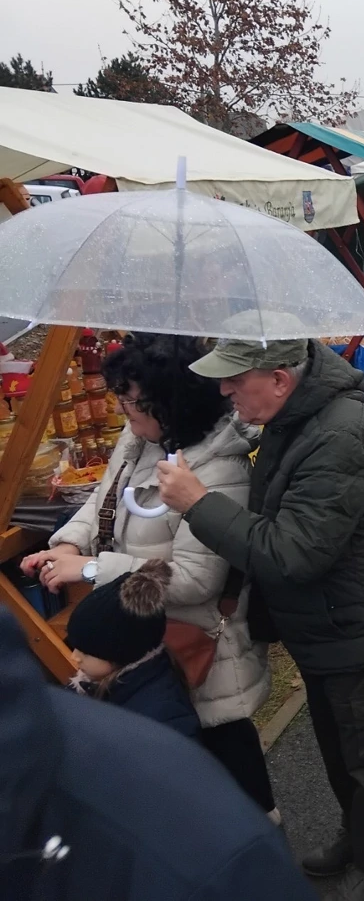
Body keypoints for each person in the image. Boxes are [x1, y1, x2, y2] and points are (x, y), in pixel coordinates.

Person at [156, 324, 364, 901]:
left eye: (235, 381)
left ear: (281, 379)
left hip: (361, 629)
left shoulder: (339, 435)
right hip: (332, 625)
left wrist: (198, 503)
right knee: (338, 745)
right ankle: (359, 837)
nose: (227, 393)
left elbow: (292, 552)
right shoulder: (295, 416)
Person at [23, 333, 274, 818]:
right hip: (146, 643)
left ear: (173, 403)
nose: (124, 410)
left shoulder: (219, 467)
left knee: (228, 759)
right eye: (120, 396)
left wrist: (94, 568)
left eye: (134, 401)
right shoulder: (139, 437)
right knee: (176, 781)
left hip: (198, 647)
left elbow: (198, 579)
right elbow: (104, 499)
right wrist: (70, 544)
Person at [0, 610, 317, 901]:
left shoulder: (207, 857)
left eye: (85, 649)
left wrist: (91, 568)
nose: (74, 656)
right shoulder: (96, 697)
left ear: (116, 654)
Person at [64, 560, 201, 740]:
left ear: (120, 653)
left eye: (87, 652)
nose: (75, 657)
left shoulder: (165, 718)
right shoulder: (97, 683)